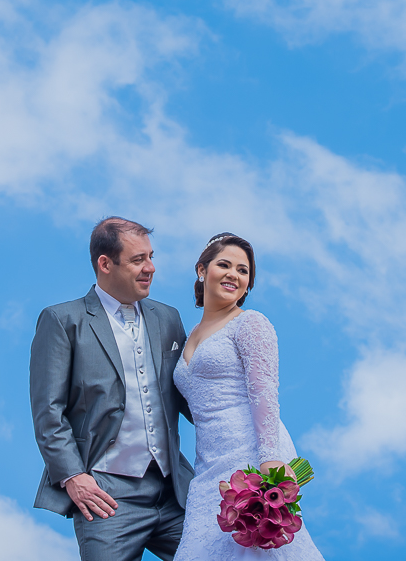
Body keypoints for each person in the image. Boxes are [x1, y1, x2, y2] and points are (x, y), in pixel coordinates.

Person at [30, 217, 196, 561]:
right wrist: (73, 476)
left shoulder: (168, 318)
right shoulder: (63, 321)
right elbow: (48, 410)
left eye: (151, 257)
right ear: (105, 264)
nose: (150, 268)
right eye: (138, 260)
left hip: (173, 490)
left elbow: (187, 396)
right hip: (106, 494)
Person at [172, 233, 326, 560]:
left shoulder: (250, 324)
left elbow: (265, 396)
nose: (234, 274)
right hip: (207, 467)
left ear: (247, 285)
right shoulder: (186, 337)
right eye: (224, 265)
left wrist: (270, 462)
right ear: (202, 270)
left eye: (243, 271)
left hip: (252, 457)